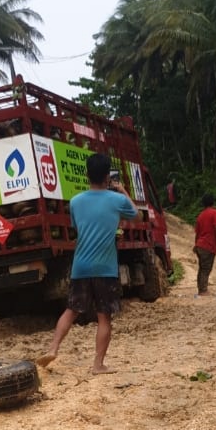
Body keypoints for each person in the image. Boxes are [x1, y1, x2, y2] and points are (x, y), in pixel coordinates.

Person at [37, 152, 139, 374]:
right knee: (104, 317)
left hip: (80, 266)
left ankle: (53, 348)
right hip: (105, 268)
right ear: (107, 177)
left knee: (71, 310)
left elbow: (78, 228)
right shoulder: (117, 200)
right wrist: (122, 190)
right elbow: (136, 215)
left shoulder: (75, 202)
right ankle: (98, 365)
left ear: (87, 175)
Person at [193, 193, 216, 296]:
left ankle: (201, 289)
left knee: (202, 268)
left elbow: (197, 233)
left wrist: (195, 244)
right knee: (206, 268)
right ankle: (203, 290)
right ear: (213, 202)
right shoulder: (215, 213)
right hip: (208, 246)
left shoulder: (200, 215)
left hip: (200, 245)